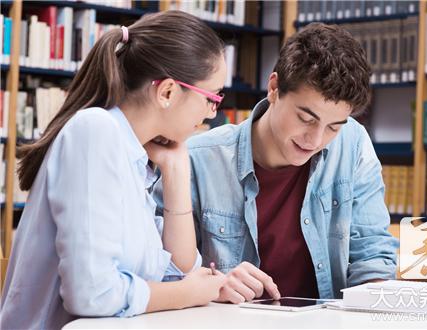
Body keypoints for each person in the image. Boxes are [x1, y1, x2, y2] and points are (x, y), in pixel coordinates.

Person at [0, 11, 226, 329]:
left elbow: (179, 271)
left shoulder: (134, 155)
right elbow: (92, 294)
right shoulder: (95, 132)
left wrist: (176, 173)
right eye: (213, 98)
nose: (211, 114)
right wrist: (187, 293)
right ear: (168, 92)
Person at [153, 23, 399, 303]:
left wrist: (372, 299)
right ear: (274, 88)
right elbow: (162, 273)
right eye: (306, 119)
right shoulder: (197, 160)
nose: (315, 139)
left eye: (333, 127)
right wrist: (215, 286)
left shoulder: (353, 143)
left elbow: (372, 252)